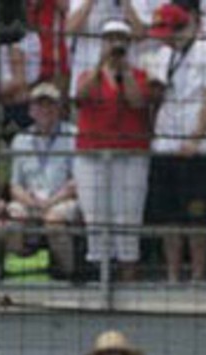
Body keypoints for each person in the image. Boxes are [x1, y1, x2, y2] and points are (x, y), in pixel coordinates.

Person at [143, 2, 206, 286]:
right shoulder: (161, 54)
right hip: (165, 142)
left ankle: (198, 273)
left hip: (198, 149)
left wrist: (195, 139)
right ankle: (172, 273)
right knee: (169, 216)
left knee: (196, 215)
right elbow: (155, 99)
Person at [74, 17, 152, 281]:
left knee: (127, 217)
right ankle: (101, 277)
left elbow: (137, 102)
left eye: (120, 40)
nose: (115, 45)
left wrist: (124, 71)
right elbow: (81, 97)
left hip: (129, 154)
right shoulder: (89, 74)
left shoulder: (139, 75)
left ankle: (128, 274)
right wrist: (102, 64)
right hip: (93, 154)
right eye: (110, 40)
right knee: (96, 215)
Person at [5, 81, 81, 280]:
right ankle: (15, 271)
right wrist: (32, 203)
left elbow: (77, 183)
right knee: (13, 217)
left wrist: (50, 203)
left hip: (63, 199)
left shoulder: (74, 135)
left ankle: (69, 272)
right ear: (31, 110)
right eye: (40, 105)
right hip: (30, 200)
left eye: (51, 104)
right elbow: (14, 186)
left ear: (59, 108)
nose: (45, 110)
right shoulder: (20, 139)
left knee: (54, 219)